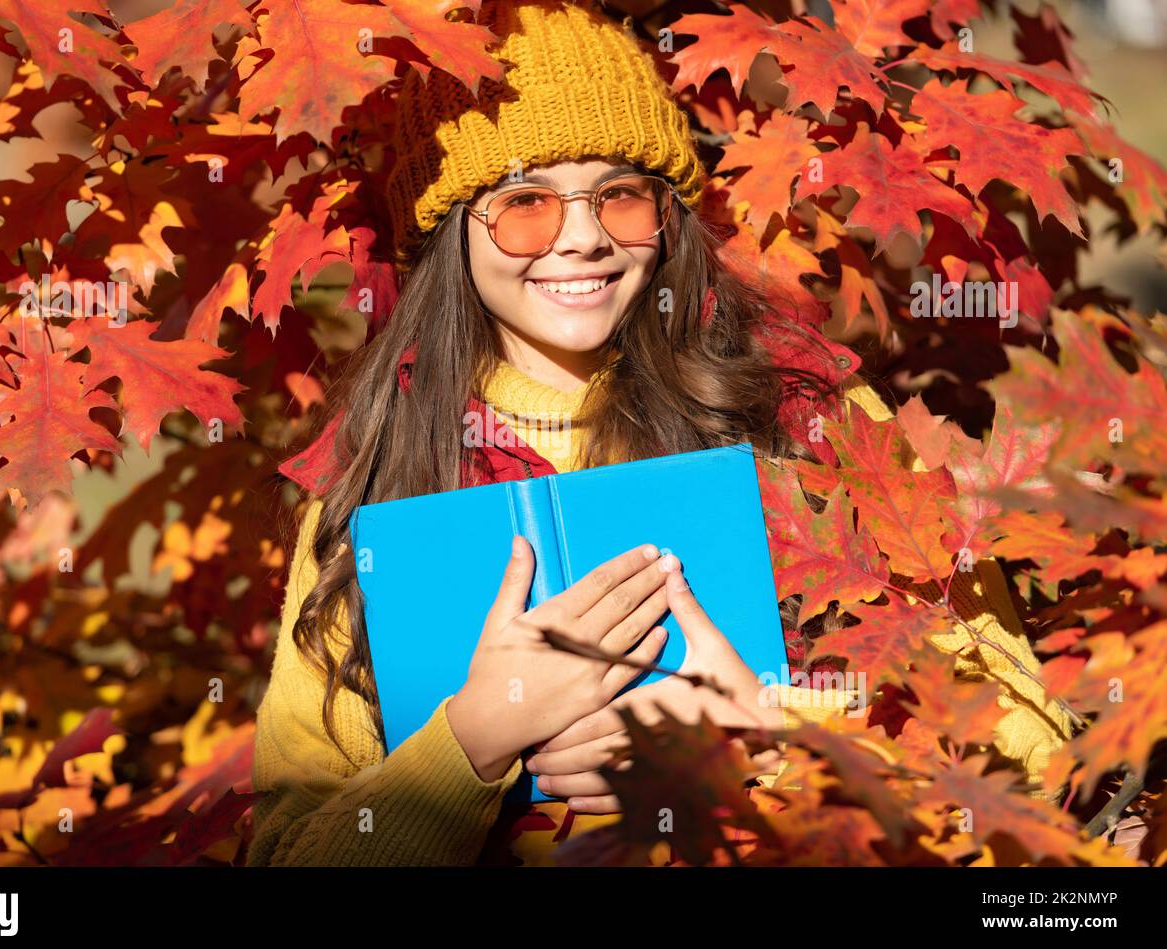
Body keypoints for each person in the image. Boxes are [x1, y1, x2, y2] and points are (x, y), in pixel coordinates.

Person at [248, 0, 1071, 867]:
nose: (583, 240)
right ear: (452, 230)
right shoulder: (375, 476)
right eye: (525, 203)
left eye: (621, 197)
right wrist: (472, 745)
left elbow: (1031, 748)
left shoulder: (808, 414)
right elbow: (288, 850)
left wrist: (771, 732)